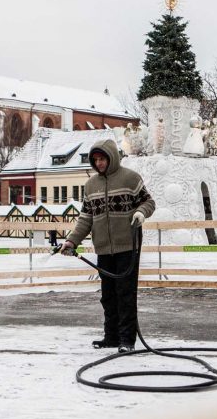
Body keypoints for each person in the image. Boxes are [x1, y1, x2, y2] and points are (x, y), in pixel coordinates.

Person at [61, 139, 156, 353]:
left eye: (102, 159)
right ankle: (111, 337)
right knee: (108, 295)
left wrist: (140, 213)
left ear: (111, 157)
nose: (99, 163)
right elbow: (86, 218)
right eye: (95, 160)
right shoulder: (90, 185)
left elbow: (149, 202)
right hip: (103, 248)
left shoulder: (130, 178)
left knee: (125, 293)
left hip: (127, 247)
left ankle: (126, 340)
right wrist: (71, 240)